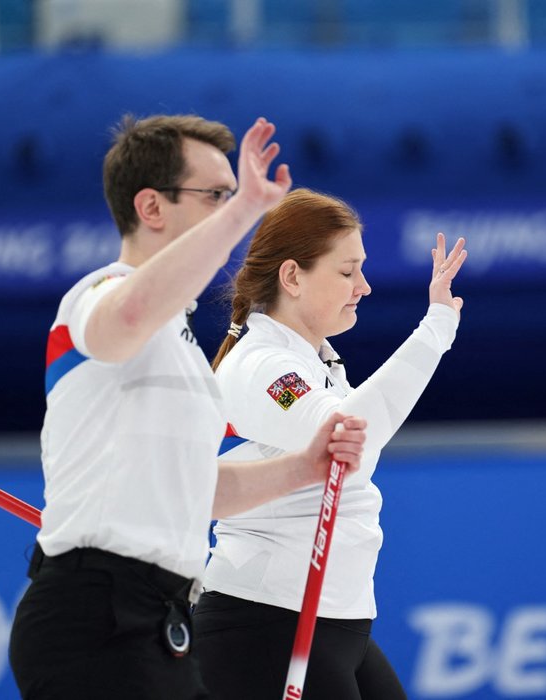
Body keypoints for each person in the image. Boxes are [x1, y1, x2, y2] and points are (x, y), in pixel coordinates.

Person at [8, 118, 368, 700]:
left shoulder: (181, 345)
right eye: (217, 197)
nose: (237, 215)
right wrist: (247, 208)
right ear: (151, 207)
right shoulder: (96, 295)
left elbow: (196, 488)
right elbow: (123, 320)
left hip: (160, 619)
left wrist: (308, 464)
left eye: (235, 198)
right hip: (95, 615)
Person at [193, 188, 466, 699]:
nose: (363, 286)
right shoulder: (263, 367)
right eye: (347, 272)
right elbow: (348, 444)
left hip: (336, 620)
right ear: (292, 276)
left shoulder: (315, 360)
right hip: (267, 624)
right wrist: (434, 332)